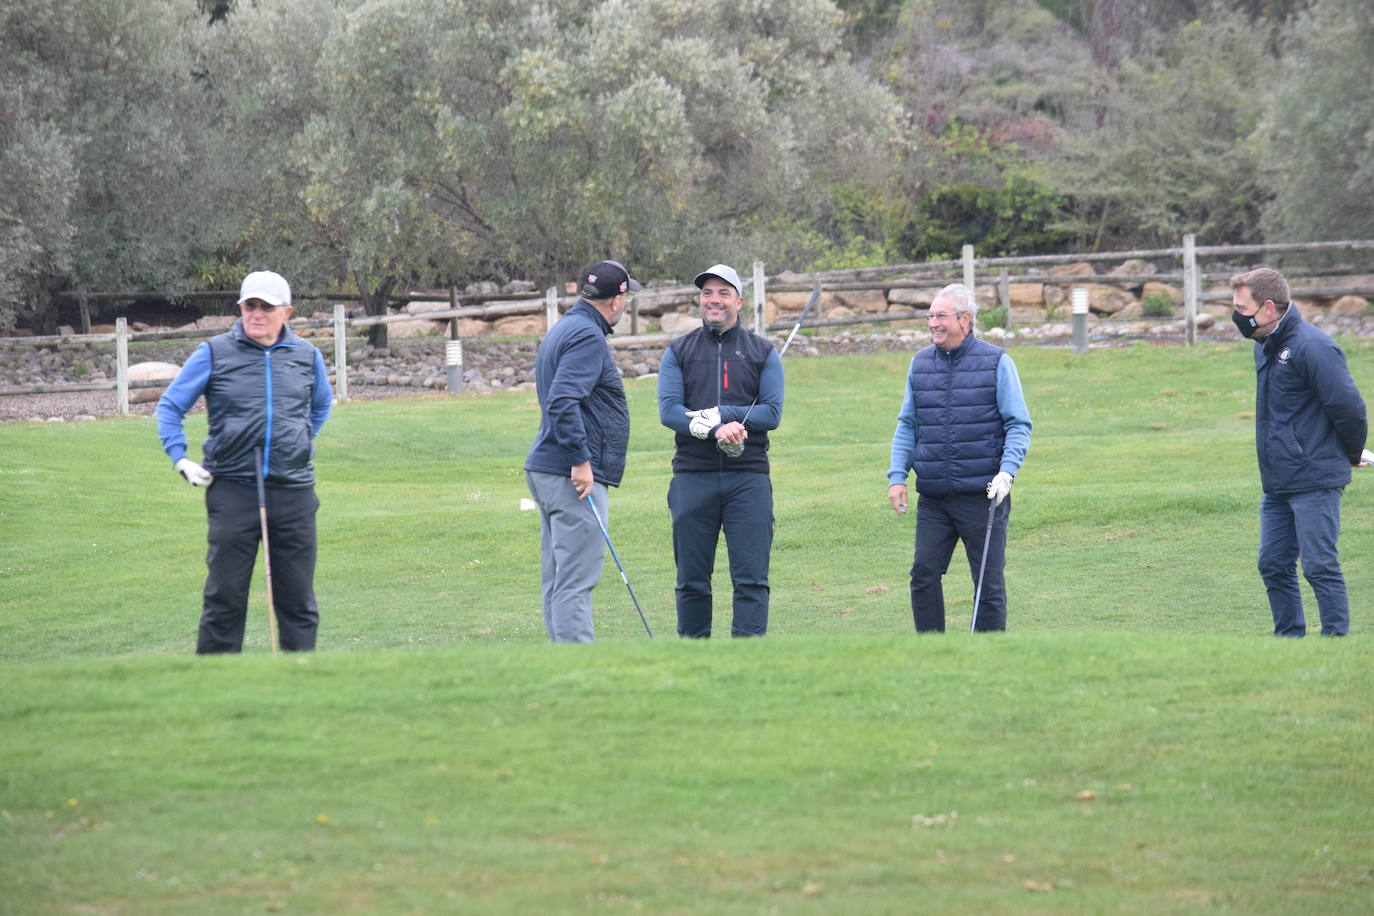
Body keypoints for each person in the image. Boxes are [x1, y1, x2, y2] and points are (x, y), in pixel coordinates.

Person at [156, 270, 333, 653]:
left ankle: (300, 685)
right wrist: (180, 458)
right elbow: (170, 406)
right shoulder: (215, 352)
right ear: (240, 308)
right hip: (233, 490)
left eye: (266, 307)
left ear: (286, 312)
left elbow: (319, 406)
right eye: (249, 305)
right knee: (224, 598)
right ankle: (218, 691)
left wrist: (297, 440)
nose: (256, 314)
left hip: (293, 490)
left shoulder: (306, 356)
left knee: (298, 601)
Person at [887, 283, 1031, 633]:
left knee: (988, 583)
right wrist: (897, 476)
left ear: (966, 319)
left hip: (984, 496)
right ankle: (934, 651)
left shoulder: (996, 361)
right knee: (923, 574)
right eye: (930, 316)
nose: (933, 323)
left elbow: (1018, 423)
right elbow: (908, 424)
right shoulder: (919, 364)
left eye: (941, 316)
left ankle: (987, 657)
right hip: (935, 497)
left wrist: (1007, 472)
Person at [1231, 267, 1366, 637]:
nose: (1236, 316)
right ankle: (1289, 642)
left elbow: (1349, 408)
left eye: (1242, 308)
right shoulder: (1266, 346)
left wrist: (1352, 452)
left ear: (1269, 307)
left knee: (1319, 565)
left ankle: (1336, 644)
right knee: (1273, 564)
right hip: (1278, 481)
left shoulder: (1313, 346)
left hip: (1315, 477)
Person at [658, 263, 783, 637]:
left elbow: (771, 413)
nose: (713, 300)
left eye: (723, 293)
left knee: (751, 580)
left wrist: (724, 415)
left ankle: (746, 665)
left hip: (748, 478)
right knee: (692, 581)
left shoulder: (763, 351)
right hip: (692, 477)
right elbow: (669, 411)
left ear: (739, 301)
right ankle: (696, 664)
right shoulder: (678, 351)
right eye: (707, 293)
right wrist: (715, 428)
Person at [524, 259, 637, 643]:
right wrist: (581, 461)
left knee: (558, 578)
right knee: (574, 581)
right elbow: (562, 400)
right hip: (569, 473)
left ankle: (563, 664)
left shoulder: (566, 328)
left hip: (548, 469)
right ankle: (578, 670)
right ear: (617, 299)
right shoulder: (587, 336)